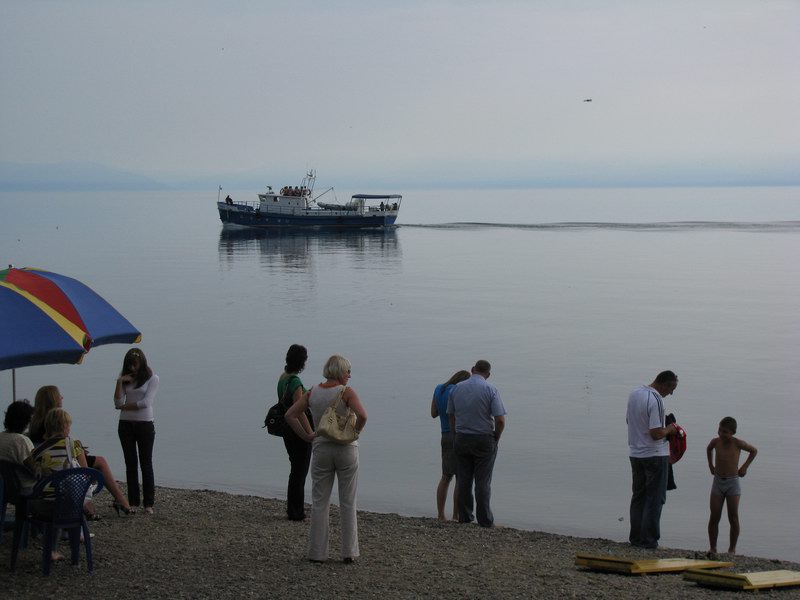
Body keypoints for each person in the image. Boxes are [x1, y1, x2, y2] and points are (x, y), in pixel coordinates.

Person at [285, 355, 367, 563]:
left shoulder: (313, 392)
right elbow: (363, 416)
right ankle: (348, 552)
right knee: (348, 501)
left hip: (321, 449)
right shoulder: (346, 392)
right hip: (346, 449)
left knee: (320, 502)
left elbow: (290, 415)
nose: (349, 375)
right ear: (340, 372)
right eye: (348, 371)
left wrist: (307, 435)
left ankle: (317, 553)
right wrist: (355, 433)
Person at [30, 385, 133, 516]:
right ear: (53, 400)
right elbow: (59, 444)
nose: (62, 398)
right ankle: (120, 501)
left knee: (87, 456)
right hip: (59, 462)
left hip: (48, 462)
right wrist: (78, 450)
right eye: (59, 396)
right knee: (100, 462)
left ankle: (97, 504)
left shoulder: (36, 422)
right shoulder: (54, 420)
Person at [447, 360, 506, 527]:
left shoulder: (456, 388)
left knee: (464, 480)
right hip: (483, 438)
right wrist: (496, 436)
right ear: (488, 374)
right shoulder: (491, 389)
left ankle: (465, 516)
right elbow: (500, 420)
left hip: (462, 437)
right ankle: (485, 520)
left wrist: (455, 434)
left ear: (472, 369)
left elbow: (451, 415)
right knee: (482, 482)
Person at [626, 370, 679, 549]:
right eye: (671, 389)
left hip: (636, 453)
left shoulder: (634, 394)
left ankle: (636, 538)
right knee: (655, 498)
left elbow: (629, 420)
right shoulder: (656, 399)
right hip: (654, 454)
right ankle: (649, 540)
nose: (671, 393)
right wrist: (671, 429)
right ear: (664, 385)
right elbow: (656, 433)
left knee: (639, 496)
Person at [114, 348, 159, 515]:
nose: (132, 368)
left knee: (146, 463)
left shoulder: (152, 379)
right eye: (129, 365)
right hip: (125, 424)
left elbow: (146, 403)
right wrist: (119, 381)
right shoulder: (125, 378)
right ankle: (133, 502)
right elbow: (117, 401)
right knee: (130, 463)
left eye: (135, 365)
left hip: (145, 424)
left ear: (142, 363)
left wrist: (124, 407)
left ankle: (148, 503)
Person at [706, 416, 757, 556]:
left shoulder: (738, 443)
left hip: (732, 482)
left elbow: (754, 451)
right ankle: (713, 548)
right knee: (714, 516)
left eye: (725, 432)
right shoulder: (715, 442)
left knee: (733, 517)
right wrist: (711, 465)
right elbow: (709, 449)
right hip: (718, 482)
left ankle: (732, 549)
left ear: (733, 432)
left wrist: (744, 467)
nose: (721, 434)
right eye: (720, 430)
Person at [277, 344, 313, 521]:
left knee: (295, 469)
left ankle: (293, 509)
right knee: (299, 472)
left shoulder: (283, 377)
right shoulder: (296, 382)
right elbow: (299, 412)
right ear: (302, 363)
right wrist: (310, 433)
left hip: (287, 430)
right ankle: (296, 512)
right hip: (298, 431)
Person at [431, 369, 470, 520]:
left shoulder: (438, 388)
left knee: (446, 476)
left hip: (444, 435)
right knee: (460, 477)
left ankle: (441, 514)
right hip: (458, 434)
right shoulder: (458, 391)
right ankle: (456, 515)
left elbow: (433, 413)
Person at [0, 400, 37, 490]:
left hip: (5, 489)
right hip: (24, 488)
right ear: (25, 421)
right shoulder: (21, 441)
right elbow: (35, 469)